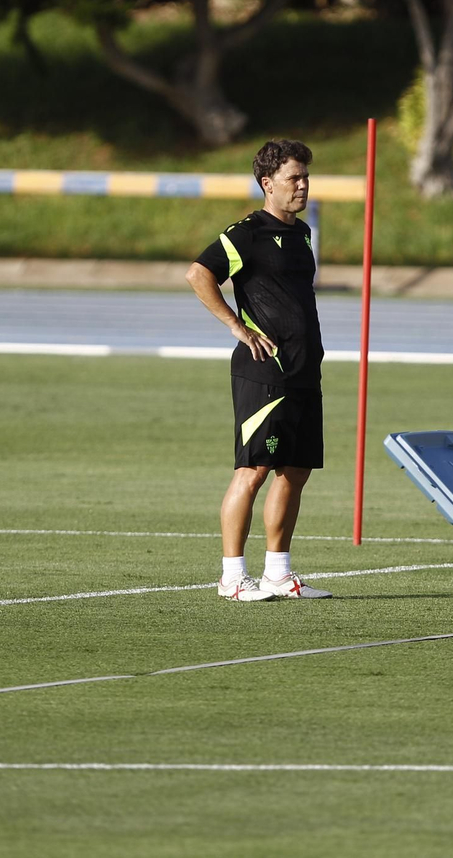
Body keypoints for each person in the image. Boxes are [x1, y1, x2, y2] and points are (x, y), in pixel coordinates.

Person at [187, 139, 330, 602]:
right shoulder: (245, 233)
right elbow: (198, 274)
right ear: (268, 183)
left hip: (305, 371)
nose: (303, 185)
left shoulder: (303, 233)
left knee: (296, 470)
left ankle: (277, 574)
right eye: (295, 178)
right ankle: (232, 578)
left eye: (306, 177)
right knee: (255, 469)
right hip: (264, 371)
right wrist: (236, 326)